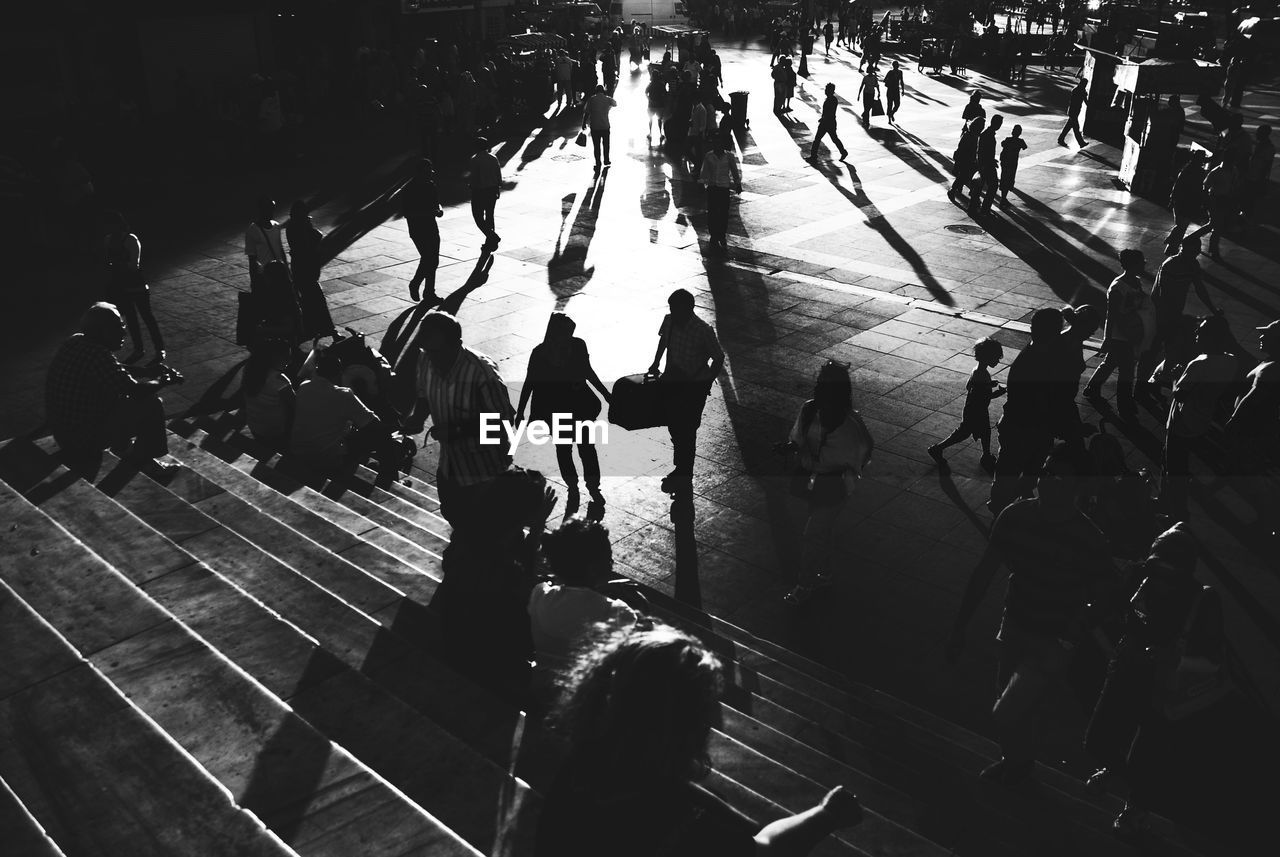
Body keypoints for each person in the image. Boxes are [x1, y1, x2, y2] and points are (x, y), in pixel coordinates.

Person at [534, 622, 865, 857]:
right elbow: (770, 850)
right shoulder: (686, 828)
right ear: (687, 725)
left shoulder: (579, 766)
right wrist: (827, 814)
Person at [949, 442, 1117, 786]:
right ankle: (1018, 761)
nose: (1048, 479)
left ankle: (1017, 765)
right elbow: (984, 572)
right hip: (1016, 623)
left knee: (1013, 707)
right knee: (1010, 700)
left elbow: (1108, 597)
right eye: (1046, 470)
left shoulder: (1089, 539)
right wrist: (959, 627)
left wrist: (1071, 635)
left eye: (1060, 476)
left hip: (1052, 638)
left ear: (1078, 486)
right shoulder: (1015, 516)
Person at [1083, 524, 1227, 838]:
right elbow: (1115, 605)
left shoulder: (1203, 602)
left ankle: (1136, 808)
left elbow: (1215, 661)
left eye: (1169, 572)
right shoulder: (1139, 576)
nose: (1159, 578)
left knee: (1148, 749)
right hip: (1125, 670)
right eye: (1155, 566)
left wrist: (1175, 659)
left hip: (1165, 684)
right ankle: (1129, 780)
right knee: (1097, 740)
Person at [404, 310, 515, 527]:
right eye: (427, 349)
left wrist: (455, 431)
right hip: (450, 462)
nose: (432, 358)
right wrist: (418, 417)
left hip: (484, 467)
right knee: (452, 512)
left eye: (437, 352)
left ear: (457, 344)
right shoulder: (426, 358)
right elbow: (423, 393)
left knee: (484, 526)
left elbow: (503, 422)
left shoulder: (482, 373)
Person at [778, 361, 874, 606]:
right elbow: (798, 438)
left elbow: (864, 451)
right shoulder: (810, 410)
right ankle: (825, 573)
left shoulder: (850, 423)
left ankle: (805, 584)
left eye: (825, 386)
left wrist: (844, 469)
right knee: (822, 532)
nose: (819, 389)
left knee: (812, 534)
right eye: (819, 384)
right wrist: (790, 448)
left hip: (835, 486)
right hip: (815, 480)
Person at [45, 302, 181, 472]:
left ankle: (124, 445)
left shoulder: (76, 340)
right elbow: (136, 390)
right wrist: (163, 381)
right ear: (103, 331)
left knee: (116, 393)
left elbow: (113, 370)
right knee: (150, 403)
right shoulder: (98, 355)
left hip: (63, 431)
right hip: (82, 438)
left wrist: (146, 371)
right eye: (119, 327)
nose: (124, 332)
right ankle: (145, 459)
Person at [515, 313, 612, 515]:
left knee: (585, 448)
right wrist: (521, 411)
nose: (570, 336)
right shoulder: (540, 353)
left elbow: (588, 371)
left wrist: (605, 394)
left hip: (579, 405)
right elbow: (530, 382)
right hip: (557, 409)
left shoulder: (577, 345)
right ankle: (574, 485)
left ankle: (592, 485)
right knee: (566, 448)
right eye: (566, 333)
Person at [528, 516, 641, 672]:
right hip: (585, 693)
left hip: (538, 685)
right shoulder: (618, 614)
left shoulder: (539, 595)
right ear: (595, 567)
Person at [988, 308, 1065, 514]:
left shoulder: (1037, 352)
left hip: (1024, 425)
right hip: (1025, 426)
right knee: (1016, 470)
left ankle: (1006, 504)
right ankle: (1002, 507)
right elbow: (1038, 399)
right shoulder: (1037, 358)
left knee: (1017, 470)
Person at [648, 289, 725, 495]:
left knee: (687, 430)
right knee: (674, 426)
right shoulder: (670, 320)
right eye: (671, 307)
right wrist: (655, 363)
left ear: (689, 308)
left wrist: (707, 381)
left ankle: (684, 472)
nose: (672, 312)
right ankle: (680, 466)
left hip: (693, 388)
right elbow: (663, 341)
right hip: (672, 382)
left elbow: (718, 357)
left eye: (676, 308)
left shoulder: (703, 330)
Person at [1161, 316, 1239, 516]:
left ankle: (1174, 508)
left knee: (1174, 465)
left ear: (1212, 337)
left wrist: (1175, 377)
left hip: (1182, 421)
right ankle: (1170, 499)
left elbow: (1180, 395)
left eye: (1201, 332)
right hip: (1202, 418)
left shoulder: (1199, 363)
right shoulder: (1231, 361)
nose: (1196, 334)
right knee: (1182, 461)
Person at [1136, 238, 1222, 399]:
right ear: (1182, 249)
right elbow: (1163, 294)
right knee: (1152, 351)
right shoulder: (1171, 265)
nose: (1195, 254)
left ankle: (1155, 383)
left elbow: (1200, 288)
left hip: (1173, 315)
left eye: (1196, 251)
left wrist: (1212, 309)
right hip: (1160, 315)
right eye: (1192, 251)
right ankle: (1140, 388)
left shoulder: (1192, 265)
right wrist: (1170, 318)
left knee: (1172, 352)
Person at [1226, 320, 1280, 537]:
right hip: (1257, 429)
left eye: (1265, 334)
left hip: (1249, 431)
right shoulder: (1271, 363)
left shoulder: (1270, 371)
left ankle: (1267, 521)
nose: (1260, 337)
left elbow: (1250, 401)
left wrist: (1232, 421)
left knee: (1249, 476)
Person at [1084, 250, 1148, 416]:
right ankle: (1125, 404)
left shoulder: (1135, 281)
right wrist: (1107, 338)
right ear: (1132, 265)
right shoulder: (1118, 288)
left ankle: (1092, 388)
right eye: (1141, 262)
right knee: (1127, 371)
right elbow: (1111, 315)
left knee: (1110, 362)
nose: (1144, 265)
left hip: (1130, 331)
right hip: (1121, 335)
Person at [929, 337, 1005, 474]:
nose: (998, 361)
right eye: (996, 358)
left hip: (973, 409)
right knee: (964, 433)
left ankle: (986, 455)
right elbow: (983, 397)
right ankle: (938, 448)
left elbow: (969, 386)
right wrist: (998, 393)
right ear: (988, 357)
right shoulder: (982, 375)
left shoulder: (977, 371)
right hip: (977, 410)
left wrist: (988, 384)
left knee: (981, 432)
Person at [103, 212, 165, 365]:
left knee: (146, 316)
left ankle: (159, 348)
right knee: (131, 318)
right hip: (122, 284)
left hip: (135, 284)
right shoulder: (108, 240)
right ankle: (139, 348)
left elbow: (133, 265)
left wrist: (115, 266)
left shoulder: (131, 239)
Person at [285, 200, 336, 340]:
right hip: (303, 269)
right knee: (315, 299)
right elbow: (313, 239)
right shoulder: (296, 227)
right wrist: (308, 226)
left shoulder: (298, 226)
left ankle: (313, 330)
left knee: (309, 300)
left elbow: (316, 237)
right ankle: (328, 330)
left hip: (305, 268)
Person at [400, 160, 444, 303]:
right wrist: (429, 212)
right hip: (418, 229)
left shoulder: (430, 185)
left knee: (433, 260)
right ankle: (416, 284)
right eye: (428, 170)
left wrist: (439, 210)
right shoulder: (409, 189)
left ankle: (429, 292)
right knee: (428, 259)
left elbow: (437, 202)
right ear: (420, 172)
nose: (432, 172)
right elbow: (408, 213)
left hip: (432, 227)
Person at [241, 338, 295, 445]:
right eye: (286, 357)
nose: (290, 361)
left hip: (254, 425)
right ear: (274, 358)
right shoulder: (280, 381)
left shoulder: (250, 370)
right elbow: (295, 405)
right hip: (274, 430)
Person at [1186, 157, 1238, 262]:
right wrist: (1206, 203)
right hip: (1215, 200)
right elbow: (1206, 187)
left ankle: (1191, 238)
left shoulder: (1233, 170)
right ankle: (1213, 251)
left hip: (1225, 200)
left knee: (1214, 224)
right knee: (1217, 226)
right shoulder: (1216, 171)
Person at [698, 132, 742, 251]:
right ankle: (714, 235)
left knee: (723, 213)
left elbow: (734, 171)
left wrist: (737, 184)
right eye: (715, 142)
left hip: (723, 187)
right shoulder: (709, 156)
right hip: (713, 187)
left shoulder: (729, 156)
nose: (717, 145)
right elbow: (704, 172)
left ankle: (721, 234)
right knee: (712, 213)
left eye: (719, 142)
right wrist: (702, 184)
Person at [1163, 151, 1207, 253]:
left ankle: (1172, 244)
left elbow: (1177, 185)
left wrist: (1172, 199)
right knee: (1182, 226)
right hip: (1189, 202)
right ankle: (1172, 245)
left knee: (1181, 225)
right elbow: (1199, 189)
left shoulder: (1186, 169)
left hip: (1180, 201)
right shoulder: (1199, 172)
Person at [245, 197, 286, 292]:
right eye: (268, 209)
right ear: (261, 211)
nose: (271, 212)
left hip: (279, 273)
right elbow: (252, 259)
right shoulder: (252, 230)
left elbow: (280, 249)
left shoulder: (276, 226)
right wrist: (254, 281)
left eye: (272, 209)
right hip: (265, 275)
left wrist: (287, 270)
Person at [469, 137, 502, 248]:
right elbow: (498, 174)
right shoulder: (493, 158)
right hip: (492, 190)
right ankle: (490, 240)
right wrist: (498, 188)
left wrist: (471, 187)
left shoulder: (475, 159)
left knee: (478, 217)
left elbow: (474, 178)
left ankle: (492, 236)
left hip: (479, 191)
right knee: (489, 215)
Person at [1241, 125, 1274, 233]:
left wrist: (1261, 180)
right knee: (1248, 199)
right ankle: (1246, 218)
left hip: (1256, 178)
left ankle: (1247, 221)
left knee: (1250, 200)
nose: (1256, 135)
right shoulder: (1262, 145)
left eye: (1258, 133)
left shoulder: (1268, 148)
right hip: (1252, 175)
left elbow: (1266, 167)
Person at [970, 114, 1003, 213]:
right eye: (999, 123)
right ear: (995, 123)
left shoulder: (988, 133)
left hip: (987, 164)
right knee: (992, 186)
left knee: (981, 187)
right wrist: (984, 164)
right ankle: (984, 208)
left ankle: (976, 207)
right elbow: (981, 152)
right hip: (986, 165)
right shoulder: (987, 134)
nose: (1000, 125)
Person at [808, 82, 849, 161]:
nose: (825, 91)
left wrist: (823, 118)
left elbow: (829, 112)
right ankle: (843, 152)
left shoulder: (831, 100)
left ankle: (813, 156)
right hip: (830, 122)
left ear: (830, 90)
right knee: (833, 138)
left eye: (827, 89)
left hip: (826, 122)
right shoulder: (831, 99)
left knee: (818, 139)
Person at [583, 84, 617, 172]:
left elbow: (586, 112)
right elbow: (615, 103)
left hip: (594, 126)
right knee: (606, 145)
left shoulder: (591, 99)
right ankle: (606, 160)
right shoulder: (607, 99)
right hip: (605, 126)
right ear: (603, 91)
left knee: (596, 146)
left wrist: (583, 123)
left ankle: (598, 162)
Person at [949, 116, 983, 201]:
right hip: (966, 160)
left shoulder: (971, 135)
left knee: (964, 176)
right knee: (963, 176)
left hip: (969, 160)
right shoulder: (969, 136)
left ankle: (956, 190)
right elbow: (964, 149)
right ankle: (953, 190)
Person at [998, 124, 1027, 202]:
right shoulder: (1020, 141)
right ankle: (1004, 197)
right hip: (1013, 162)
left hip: (1005, 161)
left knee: (1004, 176)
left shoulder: (1007, 140)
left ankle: (1003, 196)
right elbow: (1025, 147)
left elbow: (1002, 144)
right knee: (1010, 178)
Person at [1058, 78, 1087, 147]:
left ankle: (1060, 139)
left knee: (1068, 127)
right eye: (1085, 84)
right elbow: (1085, 101)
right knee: (1076, 128)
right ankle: (1081, 143)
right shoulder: (1081, 91)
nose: (1086, 85)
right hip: (1074, 112)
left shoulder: (1076, 89)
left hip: (1072, 111)